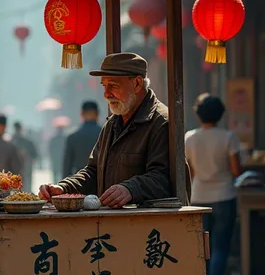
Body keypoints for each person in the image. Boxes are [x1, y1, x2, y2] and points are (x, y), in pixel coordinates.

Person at [40, 52, 176, 208]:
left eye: (113, 85)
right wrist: (64, 187)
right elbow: (93, 171)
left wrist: (130, 189)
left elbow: (164, 178)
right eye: (104, 85)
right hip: (114, 223)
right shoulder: (112, 123)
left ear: (137, 84)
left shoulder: (161, 122)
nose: (106, 94)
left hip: (150, 225)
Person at [185, 94, 241, 275]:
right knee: (219, 248)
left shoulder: (189, 138)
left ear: (198, 114)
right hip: (224, 196)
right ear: (220, 114)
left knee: (202, 250)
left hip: (199, 197)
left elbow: (191, 171)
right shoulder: (229, 137)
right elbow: (236, 170)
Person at [63, 100, 101, 177]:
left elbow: (67, 166)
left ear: (82, 114)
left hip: (79, 180)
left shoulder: (72, 136)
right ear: (97, 114)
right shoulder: (105, 134)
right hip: (101, 180)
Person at [13, 122, 38, 191]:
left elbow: (34, 155)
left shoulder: (12, 140)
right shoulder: (27, 141)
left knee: (25, 182)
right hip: (18, 165)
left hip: (25, 164)